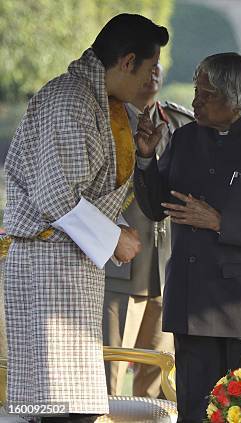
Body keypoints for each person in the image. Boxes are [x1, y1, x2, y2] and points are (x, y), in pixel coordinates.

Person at [3, 14, 168, 422]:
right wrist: (115, 238)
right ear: (127, 61)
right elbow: (56, 196)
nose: (153, 79)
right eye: (150, 69)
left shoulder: (100, 100)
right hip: (47, 265)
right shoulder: (70, 99)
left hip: (68, 265)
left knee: (75, 407)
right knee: (60, 408)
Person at [133, 52, 241, 422]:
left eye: (206, 94)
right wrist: (145, 159)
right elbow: (156, 208)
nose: (195, 102)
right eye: (196, 91)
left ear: (235, 99)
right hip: (193, 305)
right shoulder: (185, 139)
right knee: (195, 412)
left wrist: (220, 222)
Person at [103, 62, 193, 397]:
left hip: (168, 267)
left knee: (158, 378)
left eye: (158, 63)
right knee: (108, 375)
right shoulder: (104, 122)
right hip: (121, 266)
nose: (153, 71)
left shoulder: (181, 123)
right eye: (145, 63)